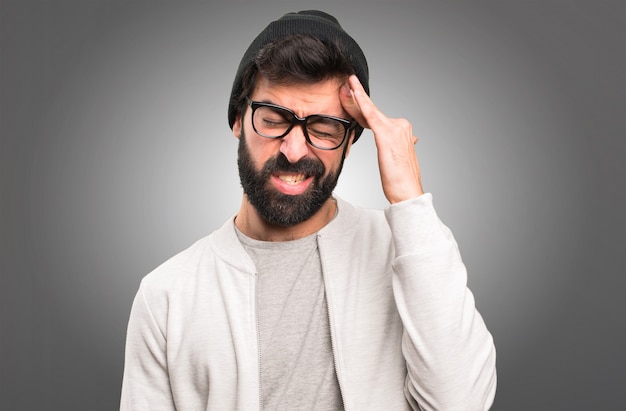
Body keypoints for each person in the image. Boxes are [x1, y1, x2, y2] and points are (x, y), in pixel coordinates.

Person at [120, 9, 497, 411]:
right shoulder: (167, 295)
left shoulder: (408, 248)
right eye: (274, 119)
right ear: (237, 119)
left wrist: (409, 198)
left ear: (351, 140)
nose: (294, 150)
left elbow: (462, 404)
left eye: (323, 128)